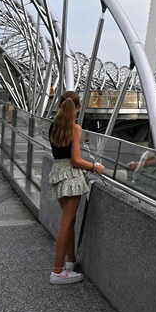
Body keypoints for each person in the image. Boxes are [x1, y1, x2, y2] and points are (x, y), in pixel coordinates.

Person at [48, 90, 103, 285]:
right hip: (71, 176)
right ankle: (57, 271)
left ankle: (70, 262)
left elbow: (61, 155)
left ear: (59, 105)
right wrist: (95, 166)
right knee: (66, 223)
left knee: (68, 222)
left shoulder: (53, 126)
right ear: (78, 107)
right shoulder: (75, 128)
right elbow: (76, 160)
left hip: (57, 172)